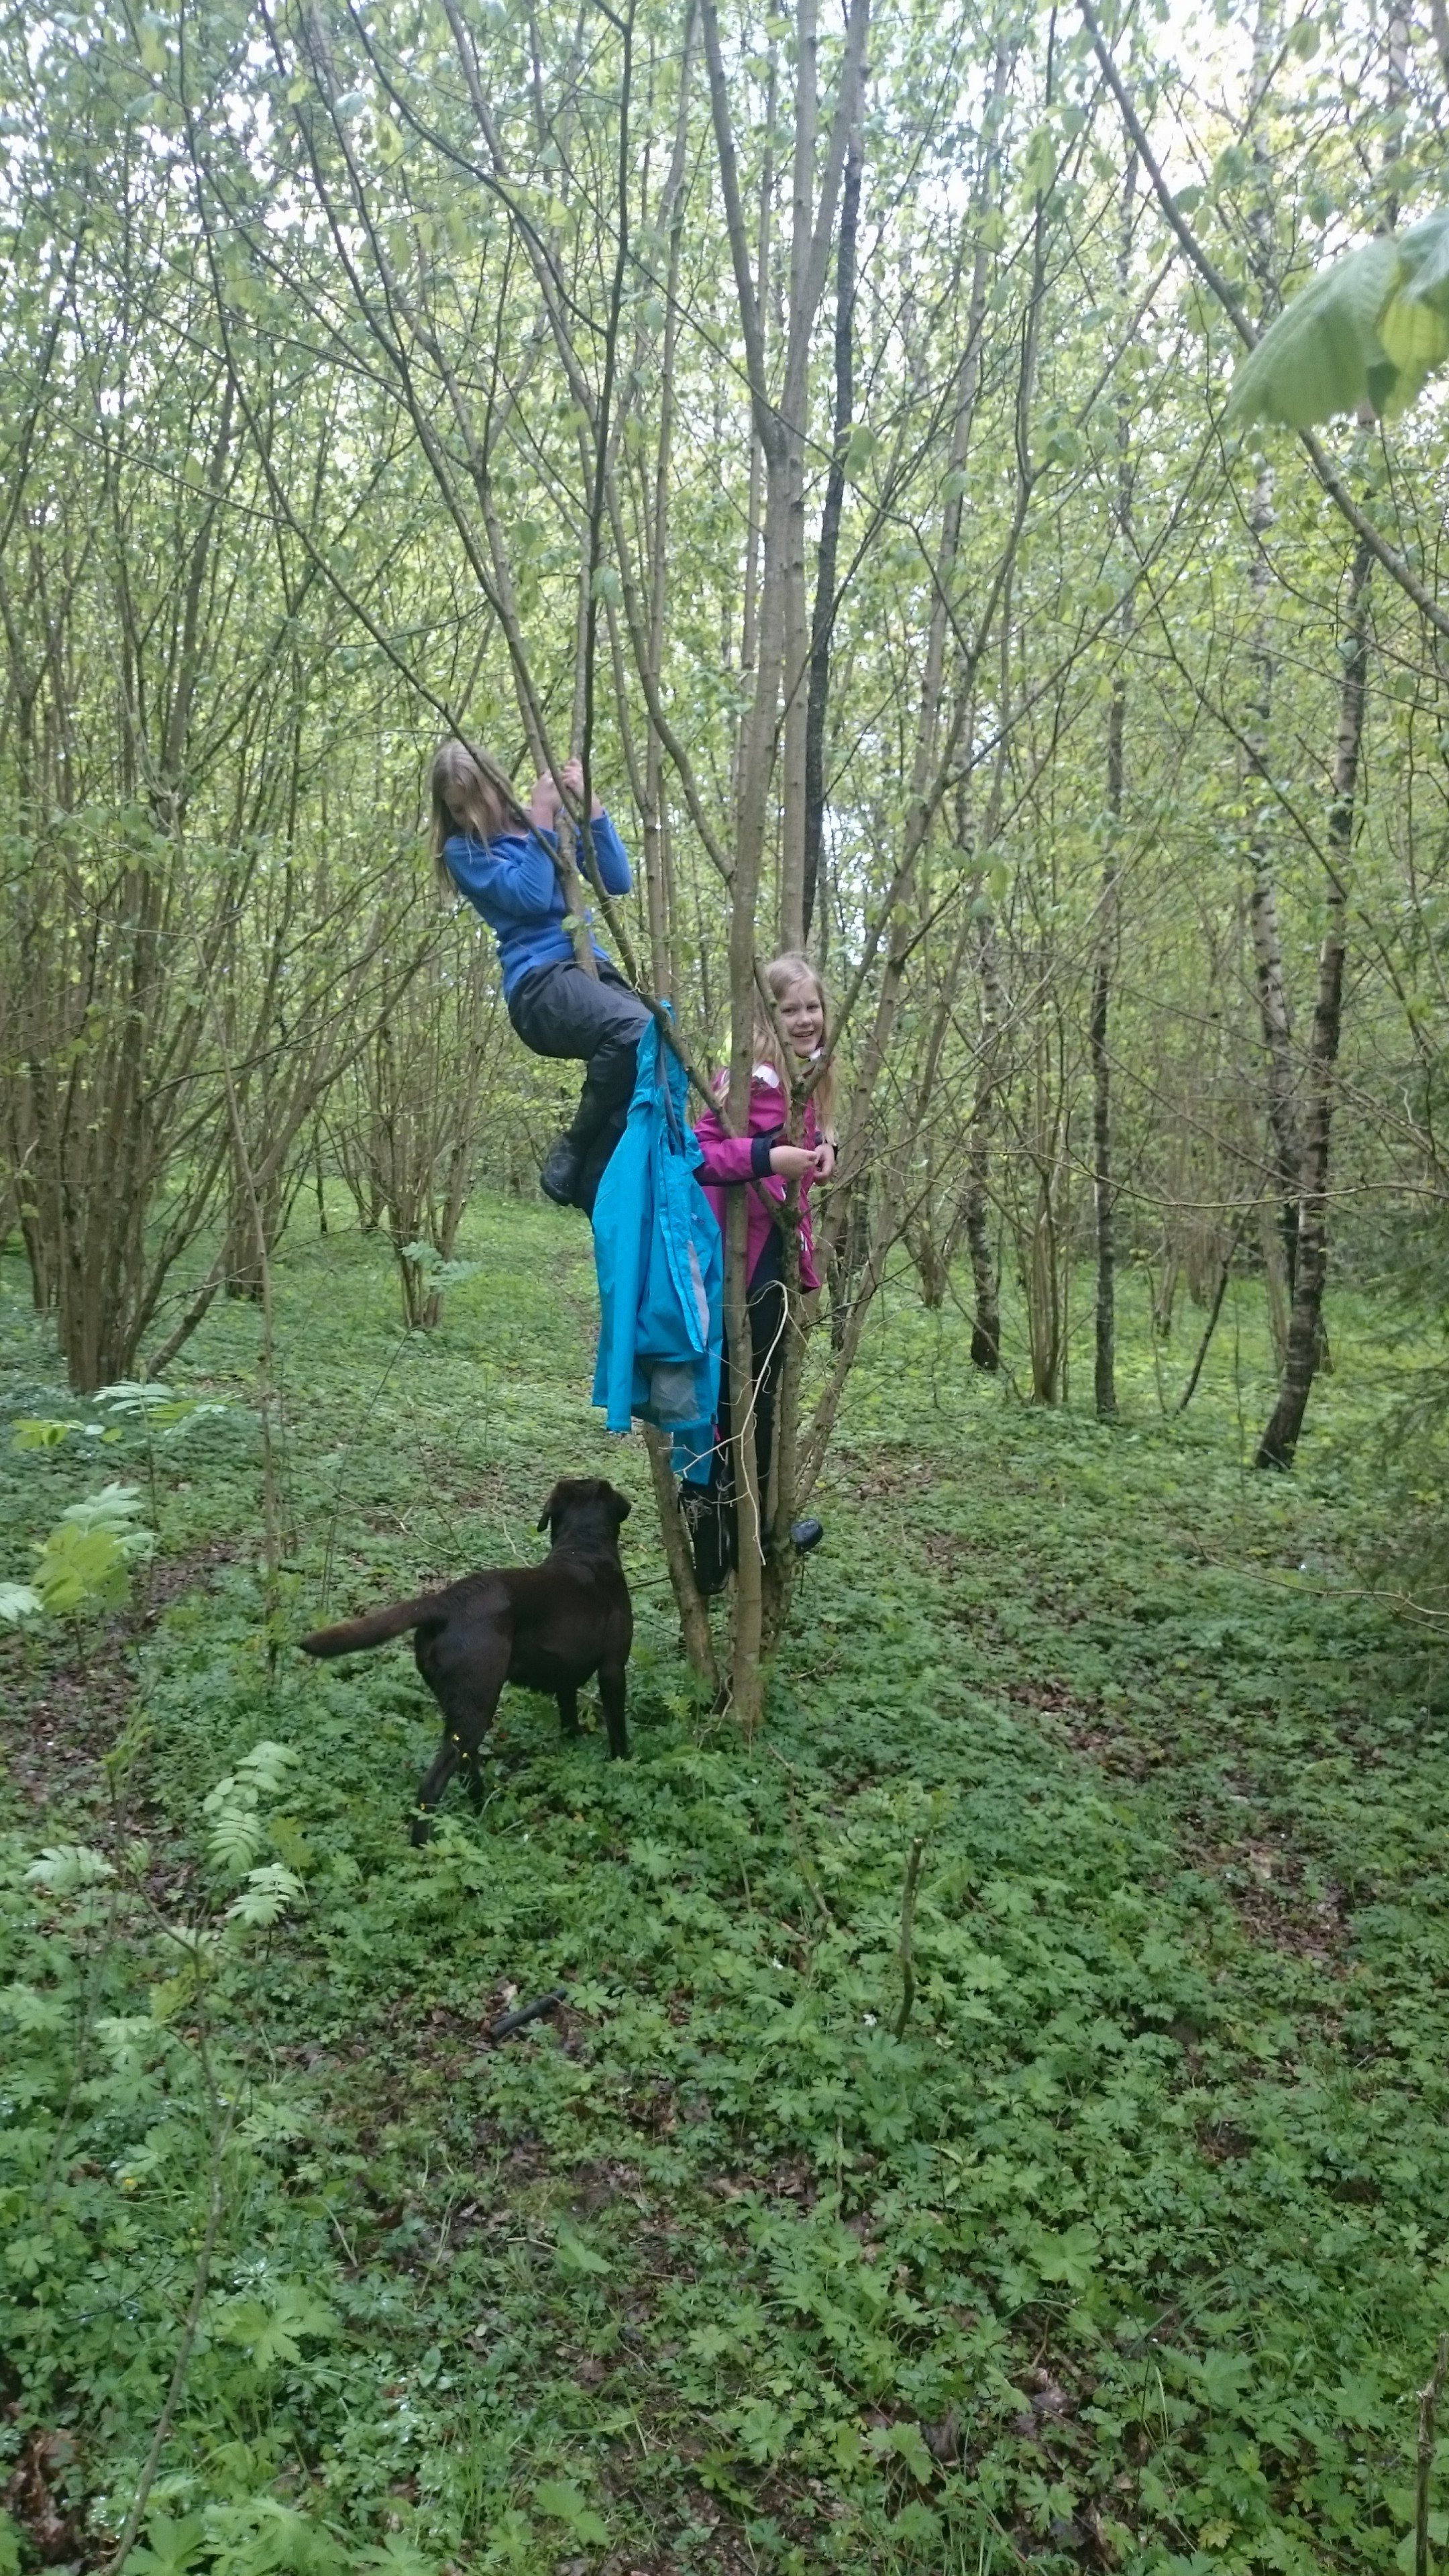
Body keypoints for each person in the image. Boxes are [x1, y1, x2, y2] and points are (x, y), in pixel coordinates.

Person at [431, 738, 649, 1215]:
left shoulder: (548, 822)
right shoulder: (463, 851)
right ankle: (574, 1147)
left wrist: (591, 809)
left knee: (659, 1047)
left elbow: (617, 880)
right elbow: (529, 898)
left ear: (495, 784)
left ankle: (593, 1179)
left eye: (475, 800)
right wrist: (544, 817)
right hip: (539, 983)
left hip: (589, 967)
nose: (470, 816)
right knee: (636, 1031)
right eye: (457, 809)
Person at [685, 952, 837, 1596]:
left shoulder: (809, 1075)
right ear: (765, 1017)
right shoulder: (752, 1078)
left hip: (774, 1254)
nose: (804, 1020)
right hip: (739, 1262)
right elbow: (699, 1154)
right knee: (737, 1403)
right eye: (789, 1009)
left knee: (762, 1400)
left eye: (812, 1006)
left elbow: (808, 1137)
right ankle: (730, 1541)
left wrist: (825, 1147)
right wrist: (768, 1157)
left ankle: (755, 1534)